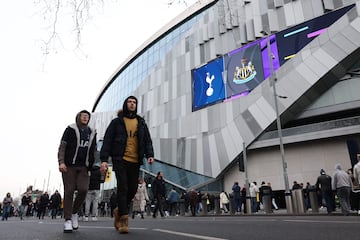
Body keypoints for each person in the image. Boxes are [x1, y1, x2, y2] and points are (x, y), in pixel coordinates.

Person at [100, 96, 154, 234]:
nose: (132, 104)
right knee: (123, 187)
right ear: (126, 104)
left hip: (135, 160)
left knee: (133, 188)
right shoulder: (117, 122)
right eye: (130, 102)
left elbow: (147, 140)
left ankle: (119, 209)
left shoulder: (140, 122)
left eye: (134, 102)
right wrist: (104, 159)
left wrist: (150, 155)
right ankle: (124, 219)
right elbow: (107, 140)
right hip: (120, 159)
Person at [58, 110, 99, 233]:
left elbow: (94, 150)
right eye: (83, 116)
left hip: (84, 167)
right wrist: (61, 162)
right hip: (69, 165)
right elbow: (62, 146)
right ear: (78, 117)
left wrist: (94, 164)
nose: (86, 118)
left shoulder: (92, 132)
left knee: (83, 190)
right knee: (69, 191)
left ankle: (75, 212)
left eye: (87, 116)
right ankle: (68, 220)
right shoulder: (70, 129)